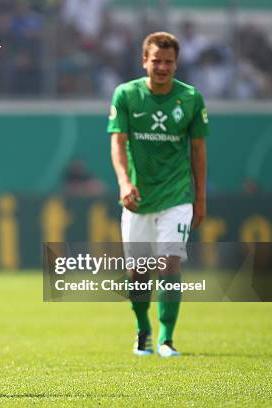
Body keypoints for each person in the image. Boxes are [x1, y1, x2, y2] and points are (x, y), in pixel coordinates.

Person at [107, 32, 208, 358]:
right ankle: (143, 329)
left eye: (168, 61)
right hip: (137, 197)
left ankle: (166, 338)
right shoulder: (126, 95)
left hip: (177, 195)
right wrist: (123, 182)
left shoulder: (191, 98)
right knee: (138, 272)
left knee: (169, 263)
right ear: (144, 62)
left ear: (176, 63)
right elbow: (118, 144)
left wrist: (200, 198)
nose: (162, 67)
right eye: (156, 61)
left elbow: (198, 150)